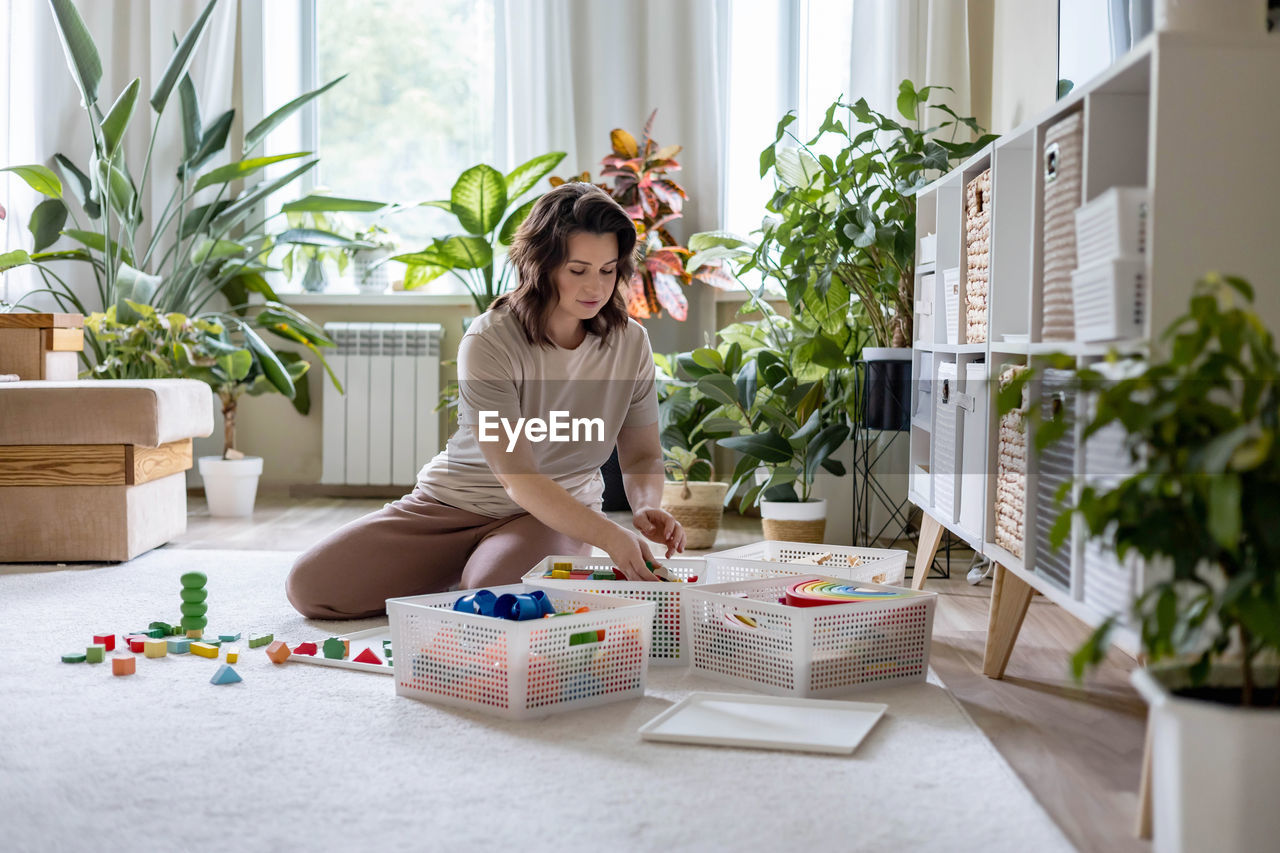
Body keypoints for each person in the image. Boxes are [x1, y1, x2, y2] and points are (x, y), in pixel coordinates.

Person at [286, 182, 685, 619]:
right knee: (310, 588)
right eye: (578, 270)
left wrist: (647, 505)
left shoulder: (630, 342)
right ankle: (462, 567)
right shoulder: (490, 338)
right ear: (544, 265)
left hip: (552, 517)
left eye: (608, 270)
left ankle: (481, 570)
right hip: (451, 505)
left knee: (493, 599)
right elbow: (519, 478)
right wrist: (610, 536)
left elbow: (643, 453)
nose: (596, 286)